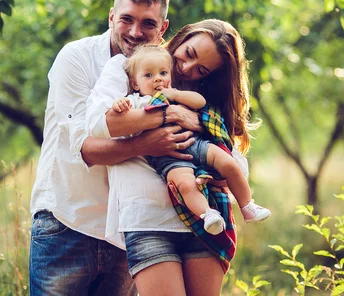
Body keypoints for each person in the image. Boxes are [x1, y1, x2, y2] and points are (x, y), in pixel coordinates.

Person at [29, 0, 202, 296]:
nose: (135, 32)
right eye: (126, 19)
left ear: (162, 29)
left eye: (148, 24)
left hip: (129, 228)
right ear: (111, 17)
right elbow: (89, 151)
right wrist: (156, 133)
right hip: (67, 221)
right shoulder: (76, 58)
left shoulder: (163, 71)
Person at [86, 19, 260, 295]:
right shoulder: (136, 65)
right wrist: (167, 117)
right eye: (189, 54)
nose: (187, 68)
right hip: (148, 220)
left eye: (201, 69)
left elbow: (237, 164)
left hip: (207, 221)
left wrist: (201, 126)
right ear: (182, 36)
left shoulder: (202, 99)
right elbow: (99, 124)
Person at [111, 45, 270, 235]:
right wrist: (119, 104)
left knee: (228, 163)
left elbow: (200, 102)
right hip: (169, 158)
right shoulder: (136, 101)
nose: (158, 79)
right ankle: (207, 214)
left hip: (197, 144)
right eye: (148, 75)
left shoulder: (176, 94)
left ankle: (247, 205)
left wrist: (175, 94)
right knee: (185, 185)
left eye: (163, 72)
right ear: (135, 83)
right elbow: (120, 117)